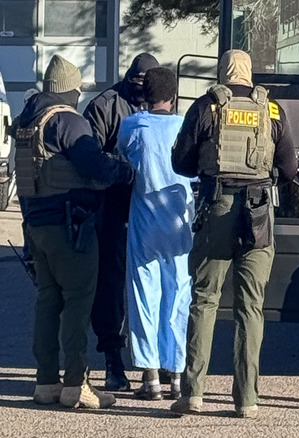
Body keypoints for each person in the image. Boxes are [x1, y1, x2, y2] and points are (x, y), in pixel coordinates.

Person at [169, 49, 297, 418]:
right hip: (259, 214)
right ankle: (247, 400)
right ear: (249, 73)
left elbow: (181, 162)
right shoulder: (272, 110)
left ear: (223, 73)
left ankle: (193, 393)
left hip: (217, 208)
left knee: (205, 299)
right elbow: (288, 168)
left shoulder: (207, 107)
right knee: (250, 307)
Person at [12, 55, 135, 409]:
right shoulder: (67, 120)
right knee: (78, 303)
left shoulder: (27, 121)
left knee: (48, 302)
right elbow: (94, 166)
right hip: (72, 225)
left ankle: (46, 383)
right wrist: (124, 170)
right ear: (71, 91)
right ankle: (76, 384)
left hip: (36, 225)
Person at [83, 52, 160, 391]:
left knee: (152, 284)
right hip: (113, 206)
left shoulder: (163, 102)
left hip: (152, 209)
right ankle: (113, 359)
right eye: (137, 84)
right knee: (110, 284)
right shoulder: (106, 105)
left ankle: (154, 366)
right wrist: (122, 169)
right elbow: (89, 157)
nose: (142, 91)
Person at [117, 67, 193, 401]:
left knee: (144, 296)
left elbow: (124, 159)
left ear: (144, 96)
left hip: (145, 224)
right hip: (180, 224)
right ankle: (176, 373)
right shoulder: (183, 127)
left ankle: (149, 376)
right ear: (174, 96)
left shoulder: (133, 126)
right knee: (178, 294)